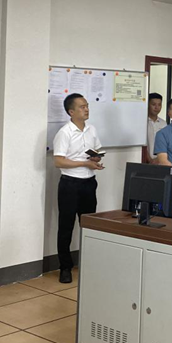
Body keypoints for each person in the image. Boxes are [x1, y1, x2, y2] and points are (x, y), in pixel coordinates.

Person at [52, 93, 103, 284]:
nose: (86, 109)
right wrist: (84, 164)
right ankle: (65, 268)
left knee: (88, 225)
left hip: (89, 183)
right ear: (71, 112)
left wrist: (95, 159)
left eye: (87, 105)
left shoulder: (91, 129)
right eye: (82, 107)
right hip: (70, 184)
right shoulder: (64, 133)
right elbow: (58, 161)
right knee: (66, 227)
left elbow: (96, 150)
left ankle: (88, 263)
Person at [144, 92, 166, 163]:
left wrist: (159, 159)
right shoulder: (142, 123)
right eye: (153, 104)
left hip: (161, 161)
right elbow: (142, 144)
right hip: (145, 161)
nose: (156, 107)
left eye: (159, 105)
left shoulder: (164, 124)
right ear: (147, 105)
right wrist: (149, 159)